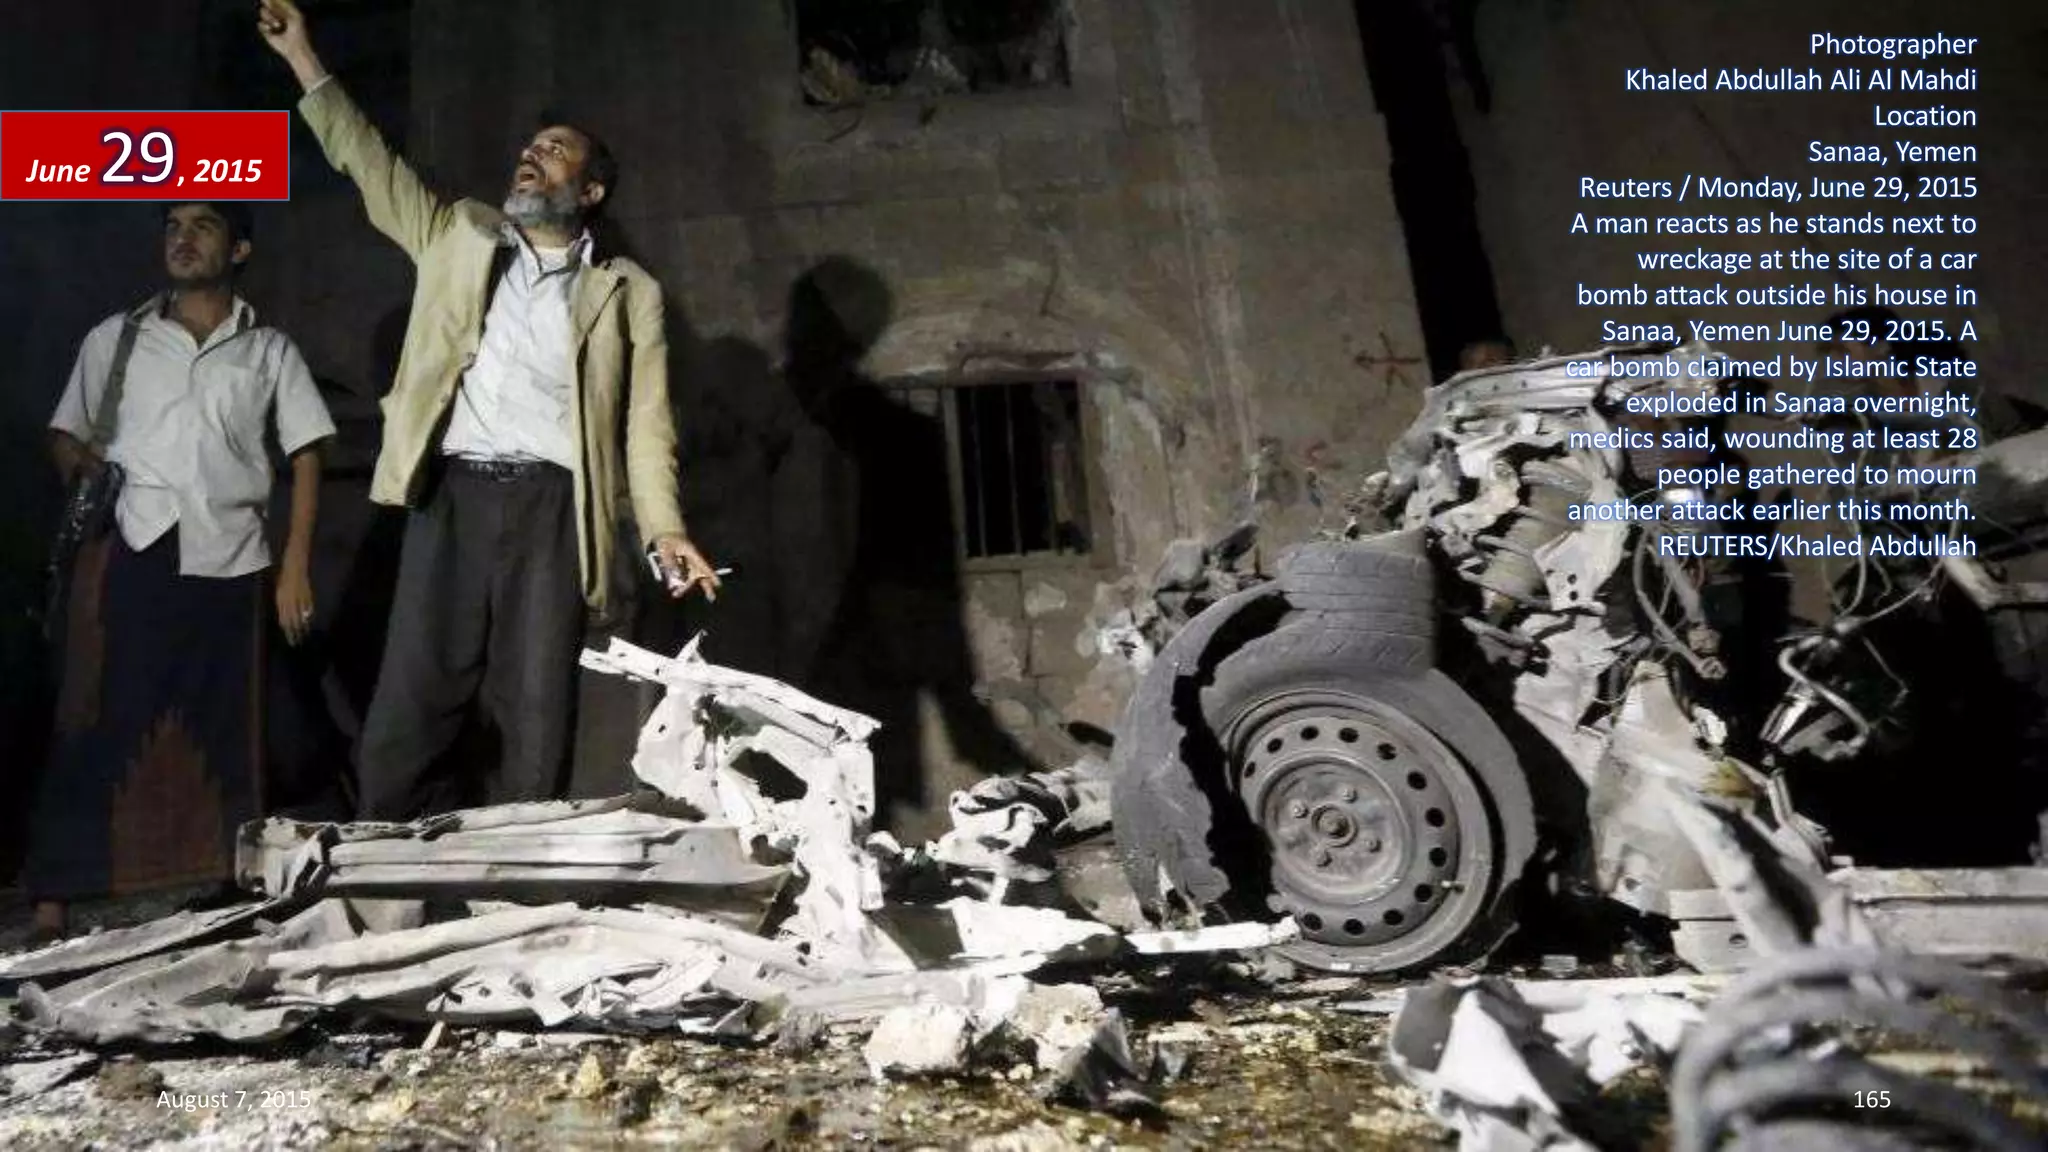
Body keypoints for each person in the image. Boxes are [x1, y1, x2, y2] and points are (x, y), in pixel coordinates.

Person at [257, 0, 720, 819]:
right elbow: (368, 161)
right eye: (529, 148)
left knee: (534, 713)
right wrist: (302, 57)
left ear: (591, 189)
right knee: (411, 700)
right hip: (451, 498)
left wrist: (664, 529)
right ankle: (386, 859)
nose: (531, 156)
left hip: (553, 510)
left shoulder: (626, 294)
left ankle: (516, 868)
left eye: (555, 150)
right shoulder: (458, 237)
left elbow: (646, 427)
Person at [28, 200, 335, 939]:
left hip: (231, 557)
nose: (183, 239)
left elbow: (307, 452)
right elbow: (64, 433)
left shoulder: (268, 349)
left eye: (203, 226)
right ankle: (54, 895)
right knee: (96, 721)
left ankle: (230, 885)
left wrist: (295, 565)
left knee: (231, 728)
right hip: (132, 548)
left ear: (240, 250)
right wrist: (87, 474)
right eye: (173, 226)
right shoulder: (117, 339)